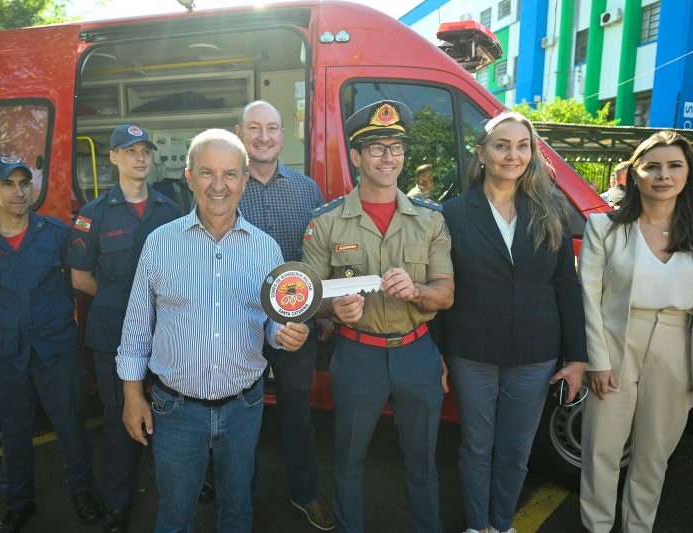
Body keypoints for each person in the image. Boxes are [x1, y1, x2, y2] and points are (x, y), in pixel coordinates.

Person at [116, 129, 310, 532]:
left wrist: (284, 335)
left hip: (244, 408)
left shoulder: (265, 248)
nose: (219, 185)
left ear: (243, 179)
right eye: (207, 173)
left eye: (230, 174)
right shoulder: (160, 244)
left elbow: (271, 323)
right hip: (175, 409)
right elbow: (137, 327)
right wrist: (132, 396)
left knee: (237, 509)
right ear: (189, 177)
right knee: (174, 515)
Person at [302, 100, 454, 533]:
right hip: (357, 355)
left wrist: (419, 290)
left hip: (416, 353)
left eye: (396, 147)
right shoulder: (326, 223)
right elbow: (306, 296)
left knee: (423, 461)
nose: (389, 157)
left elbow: (446, 294)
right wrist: (334, 308)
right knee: (348, 460)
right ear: (355, 156)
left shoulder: (429, 220)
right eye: (376, 148)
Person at [431, 111, 586, 533]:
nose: (512, 154)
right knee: (476, 447)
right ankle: (477, 525)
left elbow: (566, 287)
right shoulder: (452, 213)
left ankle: (502, 524)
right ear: (481, 153)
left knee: (516, 451)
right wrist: (439, 354)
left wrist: (577, 357)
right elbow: (442, 290)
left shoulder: (550, 209)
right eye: (502, 145)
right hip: (471, 352)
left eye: (522, 146)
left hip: (535, 355)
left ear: (532, 153)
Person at [0, 156, 102, 533]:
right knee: (13, 432)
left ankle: (82, 493)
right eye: (8, 184)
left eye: (24, 183)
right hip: (5, 353)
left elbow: (79, 278)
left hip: (56, 348)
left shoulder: (55, 232)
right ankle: (18, 504)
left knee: (70, 426)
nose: (19, 192)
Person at [67, 124, 180, 533]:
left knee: (175, 415)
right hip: (113, 334)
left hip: (169, 332)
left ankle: (189, 485)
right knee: (120, 421)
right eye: (130, 151)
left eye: (145, 150)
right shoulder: (92, 215)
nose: (140, 158)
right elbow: (80, 278)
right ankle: (117, 506)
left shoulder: (170, 210)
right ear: (112, 158)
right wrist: (126, 305)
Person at [579, 131, 693, 533]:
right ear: (635, 174)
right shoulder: (604, 228)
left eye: (675, 166)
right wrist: (597, 360)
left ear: (687, 173)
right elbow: (589, 298)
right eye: (653, 166)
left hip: (678, 346)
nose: (664, 175)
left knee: (653, 457)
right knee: (600, 452)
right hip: (616, 343)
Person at [234, 100, 334, 531]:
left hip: (296, 325)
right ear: (240, 132)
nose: (263, 136)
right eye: (254, 128)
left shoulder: (307, 190)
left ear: (283, 133)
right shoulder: (228, 186)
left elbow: (319, 257)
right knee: (239, 414)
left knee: (298, 414)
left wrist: (324, 313)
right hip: (241, 325)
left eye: (272, 128)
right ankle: (239, 500)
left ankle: (305, 492)